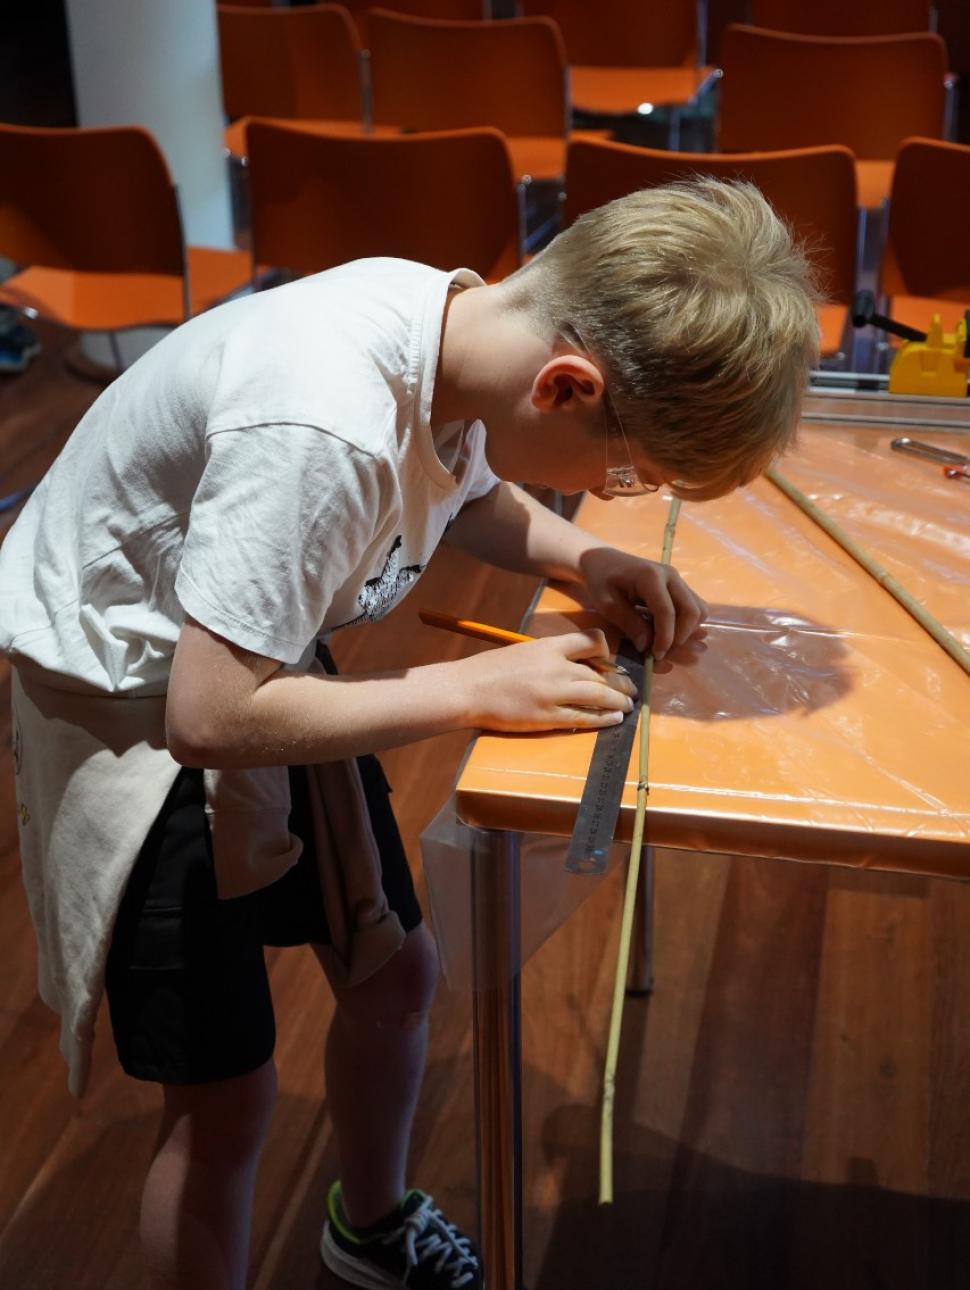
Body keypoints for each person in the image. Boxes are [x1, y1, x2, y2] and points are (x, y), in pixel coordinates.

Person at [0, 178, 818, 1290]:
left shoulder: (458, 331)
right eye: (629, 479)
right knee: (226, 1099)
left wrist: (586, 558)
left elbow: (471, 488)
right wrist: (475, 689)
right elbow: (209, 717)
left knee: (392, 977)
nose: (618, 496)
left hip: (249, 650)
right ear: (568, 385)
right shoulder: (324, 425)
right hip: (128, 697)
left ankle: (369, 1226)